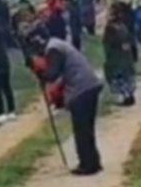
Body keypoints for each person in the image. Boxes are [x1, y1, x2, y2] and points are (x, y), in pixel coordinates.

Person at [26, 27, 104, 176]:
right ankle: (93, 162)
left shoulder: (53, 49)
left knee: (81, 129)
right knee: (87, 128)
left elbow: (53, 74)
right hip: (89, 85)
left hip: (82, 88)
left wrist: (40, 71)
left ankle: (87, 165)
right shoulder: (58, 45)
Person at [102, 7, 136, 106]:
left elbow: (108, 43)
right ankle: (130, 95)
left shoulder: (110, 28)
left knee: (118, 77)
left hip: (116, 57)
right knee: (127, 77)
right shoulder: (123, 26)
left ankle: (125, 97)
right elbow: (130, 40)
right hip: (126, 56)